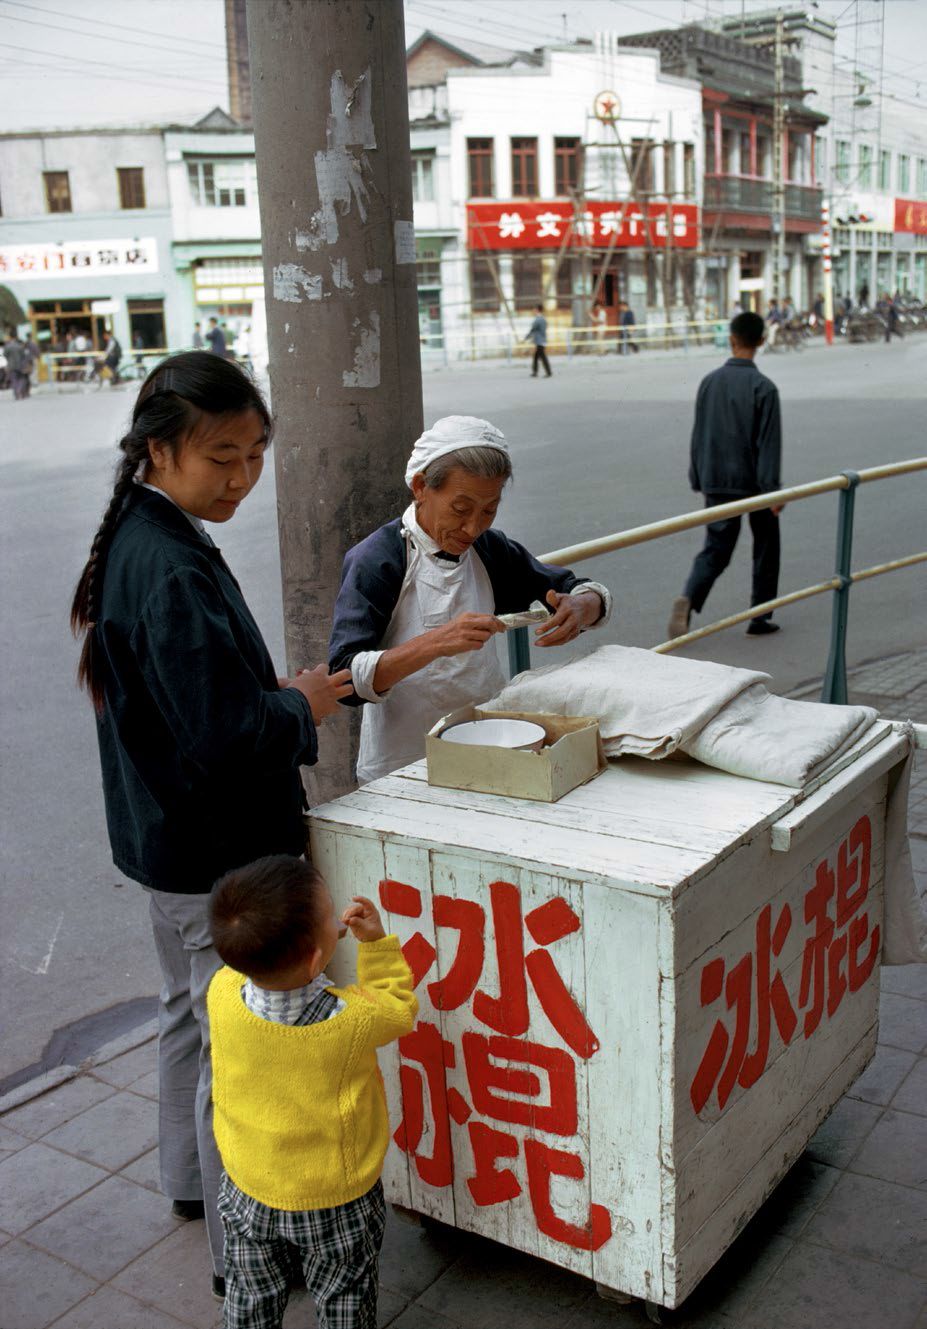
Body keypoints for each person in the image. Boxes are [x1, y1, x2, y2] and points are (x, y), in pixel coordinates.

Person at [69, 351, 353, 1299]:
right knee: (229, 1052)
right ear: (159, 450)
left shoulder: (140, 534)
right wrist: (302, 703)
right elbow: (230, 736)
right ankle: (247, 1257)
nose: (241, 477)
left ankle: (187, 1186)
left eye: (256, 453)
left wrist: (259, 698)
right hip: (213, 854)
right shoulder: (170, 564)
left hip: (165, 842)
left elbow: (185, 704)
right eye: (220, 457)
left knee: (185, 1021)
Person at [329, 415, 612, 784]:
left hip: (490, 746)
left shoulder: (488, 551)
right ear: (420, 487)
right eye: (460, 510)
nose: (473, 527)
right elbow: (344, 678)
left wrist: (581, 606)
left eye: (489, 510)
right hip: (402, 763)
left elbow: (575, 588)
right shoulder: (379, 559)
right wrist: (435, 643)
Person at [207, 855, 416, 1329]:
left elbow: (258, 964)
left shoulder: (221, 991)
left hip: (248, 1186)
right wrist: (376, 945)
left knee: (250, 1295)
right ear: (318, 957)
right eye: (329, 916)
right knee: (345, 1294)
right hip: (336, 1198)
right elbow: (400, 1008)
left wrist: (310, 938)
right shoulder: (351, 1020)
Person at [667, 311, 783, 640]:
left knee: (716, 548)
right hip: (756, 485)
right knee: (766, 546)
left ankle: (689, 598)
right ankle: (760, 616)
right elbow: (768, 445)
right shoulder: (765, 388)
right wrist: (773, 490)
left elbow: (699, 434)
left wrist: (698, 476)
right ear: (761, 341)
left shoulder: (709, 382)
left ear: (732, 339)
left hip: (717, 479)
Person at [3, 327, 32, 400]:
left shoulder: (7, 346)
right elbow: (23, 355)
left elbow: (5, 355)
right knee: (21, 378)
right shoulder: (19, 346)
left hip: (11, 365)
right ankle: (19, 390)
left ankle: (16, 392)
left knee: (14, 379)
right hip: (20, 365)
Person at [524, 304, 551, 377]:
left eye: (534, 309)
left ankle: (547, 372)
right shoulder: (542, 318)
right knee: (537, 357)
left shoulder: (539, 319)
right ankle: (536, 372)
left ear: (537, 310)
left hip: (540, 341)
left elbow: (533, 329)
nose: (533, 310)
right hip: (541, 340)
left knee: (542, 357)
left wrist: (527, 337)